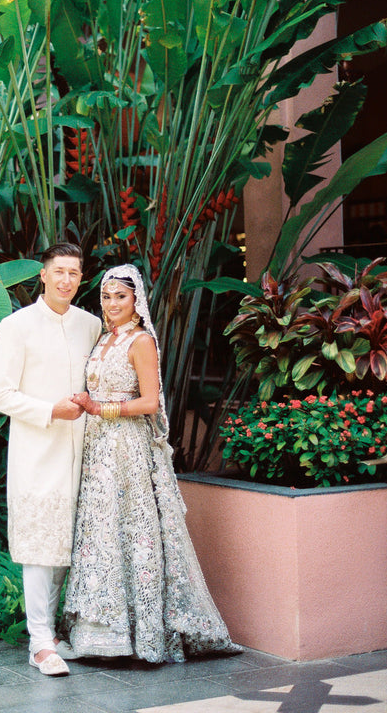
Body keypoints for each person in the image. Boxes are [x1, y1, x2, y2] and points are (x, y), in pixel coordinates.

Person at [61, 263, 240, 662]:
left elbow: (150, 402)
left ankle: (141, 635)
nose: (111, 304)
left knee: (129, 526)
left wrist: (100, 408)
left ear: (136, 300)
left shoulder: (140, 341)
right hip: (98, 448)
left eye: (120, 297)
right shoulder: (105, 339)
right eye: (106, 297)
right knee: (101, 529)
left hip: (126, 446)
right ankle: (97, 634)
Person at [0, 242, 102, 676]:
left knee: (65, 546)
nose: (66, 280)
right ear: (43, 273)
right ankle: (39, 643)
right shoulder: (16, 326)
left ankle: (49, 633)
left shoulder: (90, 325)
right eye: (59, 271)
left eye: (74, 273)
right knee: (40, 547)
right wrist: (51, 410)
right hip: (37, 450)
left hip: (85, 453)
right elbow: (0, 394)